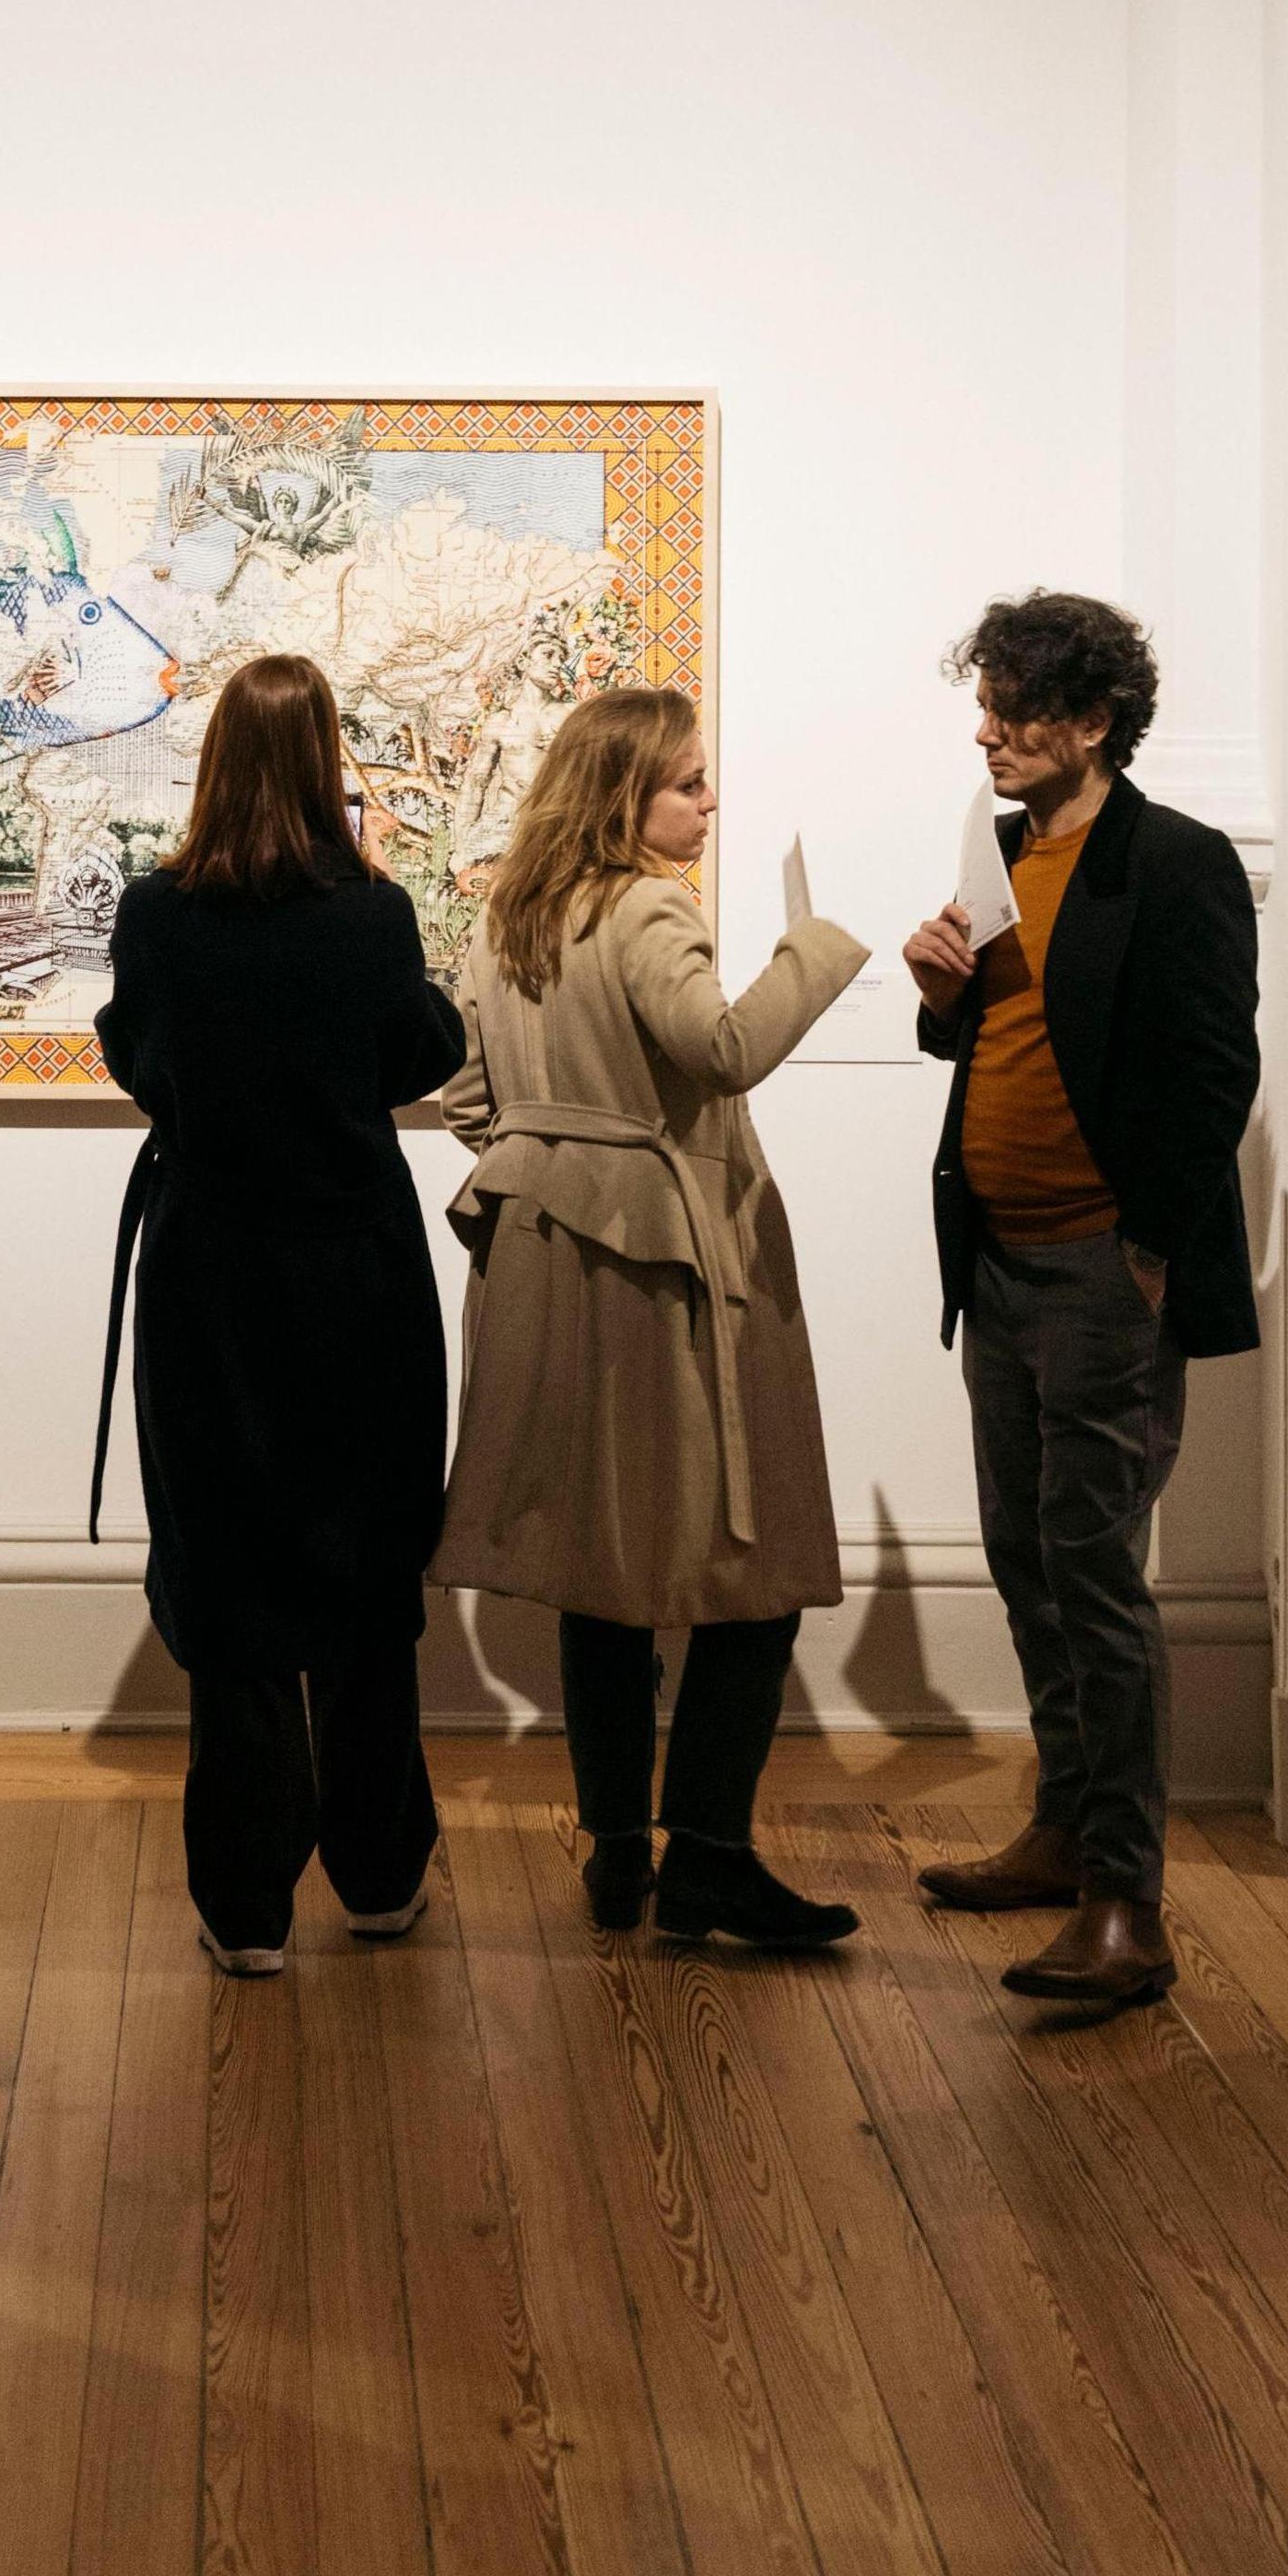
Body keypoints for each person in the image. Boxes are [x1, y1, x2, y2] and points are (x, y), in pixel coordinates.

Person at [434, 685, 866, 1948]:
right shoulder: (642, 906)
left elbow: (465, 1091)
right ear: (625, 792)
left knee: (599, 1571)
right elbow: (722, 1049)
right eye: (687, 780)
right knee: (749, 1569)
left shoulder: (513, 912)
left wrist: (548, 1152)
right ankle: (712, 1860)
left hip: (544, 1262)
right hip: (658, 1271)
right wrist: (815, 950)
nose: (708, 800)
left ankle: (619, 1854)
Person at [897, 591, 1259, 2011]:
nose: (986, 729)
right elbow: (995, 1031)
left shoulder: (1173, 861)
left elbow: (1210, 1068)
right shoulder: (1000, 854)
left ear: (1093, 718)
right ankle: (1062, 1826)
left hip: (1106, 1270)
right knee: (1023, 1554)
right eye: (983, 701)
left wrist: (1150, 1247)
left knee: (1095, 1572)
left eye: (1014, 706)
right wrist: (941, 991)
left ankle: (1127, 1901)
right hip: (995, 1263)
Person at [93, 654, 468, 1972]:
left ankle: (245, 1904)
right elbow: (419, 1056)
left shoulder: (155, 914)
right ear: (325, 763)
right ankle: (376, 1873)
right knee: (367, 1566)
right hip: (355, 1269)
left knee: (233, 1563)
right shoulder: (372, 916)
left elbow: (141, 1061)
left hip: (210, 1270)